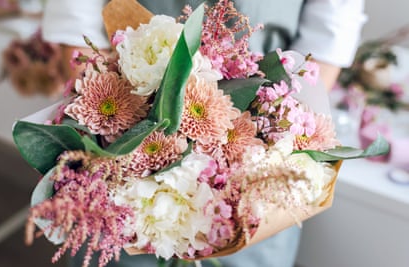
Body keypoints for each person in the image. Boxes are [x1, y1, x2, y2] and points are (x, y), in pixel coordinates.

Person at [41, 1, 367, 266]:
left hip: (258, 167)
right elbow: (76, 18)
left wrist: (268, 139)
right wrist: (122, 125)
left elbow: (327, 38)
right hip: (127, 151)